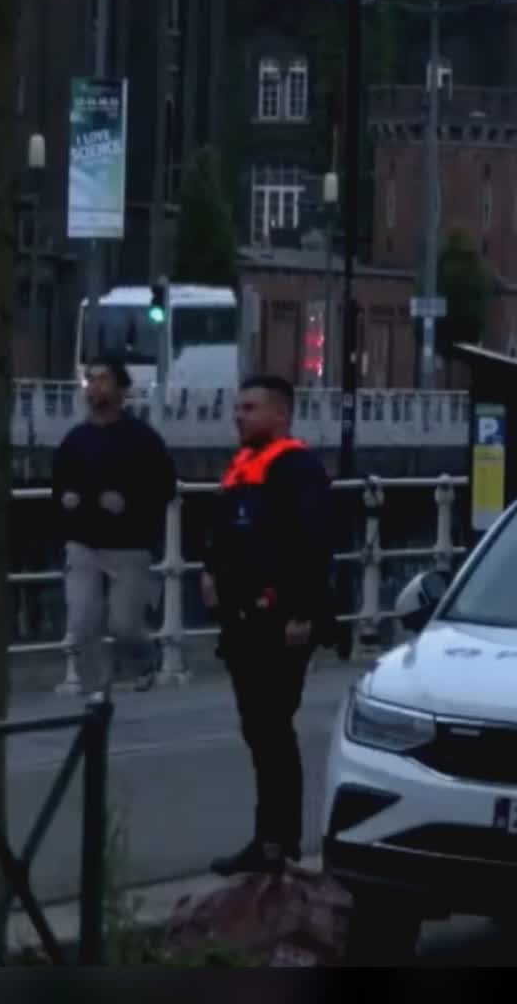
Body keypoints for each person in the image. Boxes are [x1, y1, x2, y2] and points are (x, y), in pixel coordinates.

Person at [203, 374, 337, 876]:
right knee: (259, 729)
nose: (239, 415)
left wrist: (303, 611)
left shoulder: (296, 468)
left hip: (280, 620)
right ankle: (268, 838)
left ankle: (280, 841)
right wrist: (209, 571)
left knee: (273, 728)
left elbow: (313, 542)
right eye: (237, 407)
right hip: (241, 619)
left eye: (250, 407)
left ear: (280, 415)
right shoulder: (241, 468)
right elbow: (221, 530)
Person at [52, 357, 176, 698]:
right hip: (83, 542)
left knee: (124, 625)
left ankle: (144, 658)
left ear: (121, 389)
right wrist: (66, 499)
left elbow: (165, 487)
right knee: (81, 622)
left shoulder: (142, 439)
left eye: (103, 380)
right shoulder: (75, 439)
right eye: (90, 380)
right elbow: (58, 484)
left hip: (129, 544)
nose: (94, 387)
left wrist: (129, 503)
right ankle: (96, 692)